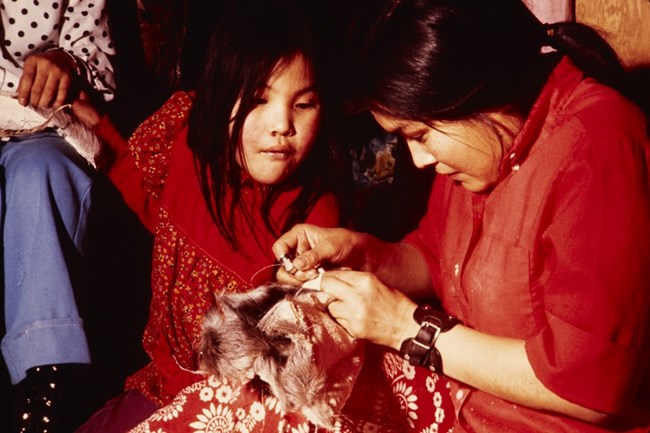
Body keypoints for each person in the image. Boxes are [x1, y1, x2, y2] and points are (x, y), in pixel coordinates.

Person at [270, 0, 650, 432]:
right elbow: (438, 260)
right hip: (464, 412)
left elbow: (590, 390)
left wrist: (405, 329)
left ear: (476, 92)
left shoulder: (597, 144)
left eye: (421, 135)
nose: (418, 159)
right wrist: (363, 256)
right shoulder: (480, 148)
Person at [70, 1, 350, 431]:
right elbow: (158, 209)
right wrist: (101, 134)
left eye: (304, 104)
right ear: (219, 95)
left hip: (248, 409)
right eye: (258, 99)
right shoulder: (185, 141)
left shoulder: (315, 221)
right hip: (160, 386)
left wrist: (294, 298)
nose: (281, 125)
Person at [0, 1, 116, 432]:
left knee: (42, 175)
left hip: (41, 127)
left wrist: (65, 63)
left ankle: (44, 388)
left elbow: (99, 64)